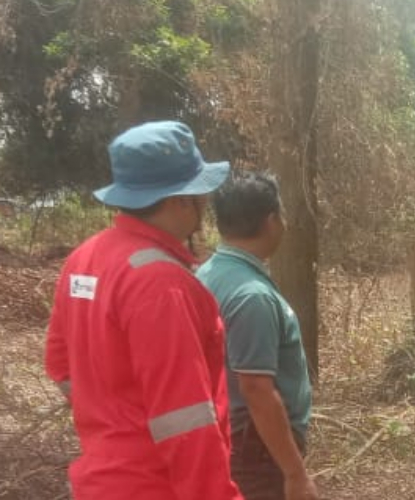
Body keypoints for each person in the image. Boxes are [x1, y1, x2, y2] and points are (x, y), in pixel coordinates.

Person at [45, 121, 243, 500]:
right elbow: (186, 419)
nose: (204, 204)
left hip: (98, 481)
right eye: (199, 193)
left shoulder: (83, 259)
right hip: (155, 486)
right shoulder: (162, 285)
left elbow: (59, 364)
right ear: (180, 200)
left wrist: (112, 414)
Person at [197, 172, 318, 500]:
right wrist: (295, 473)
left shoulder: (205, 275)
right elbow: (255, 389)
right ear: (271, 221)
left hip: (231, 437)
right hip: (258, 450)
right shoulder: (253, 296)